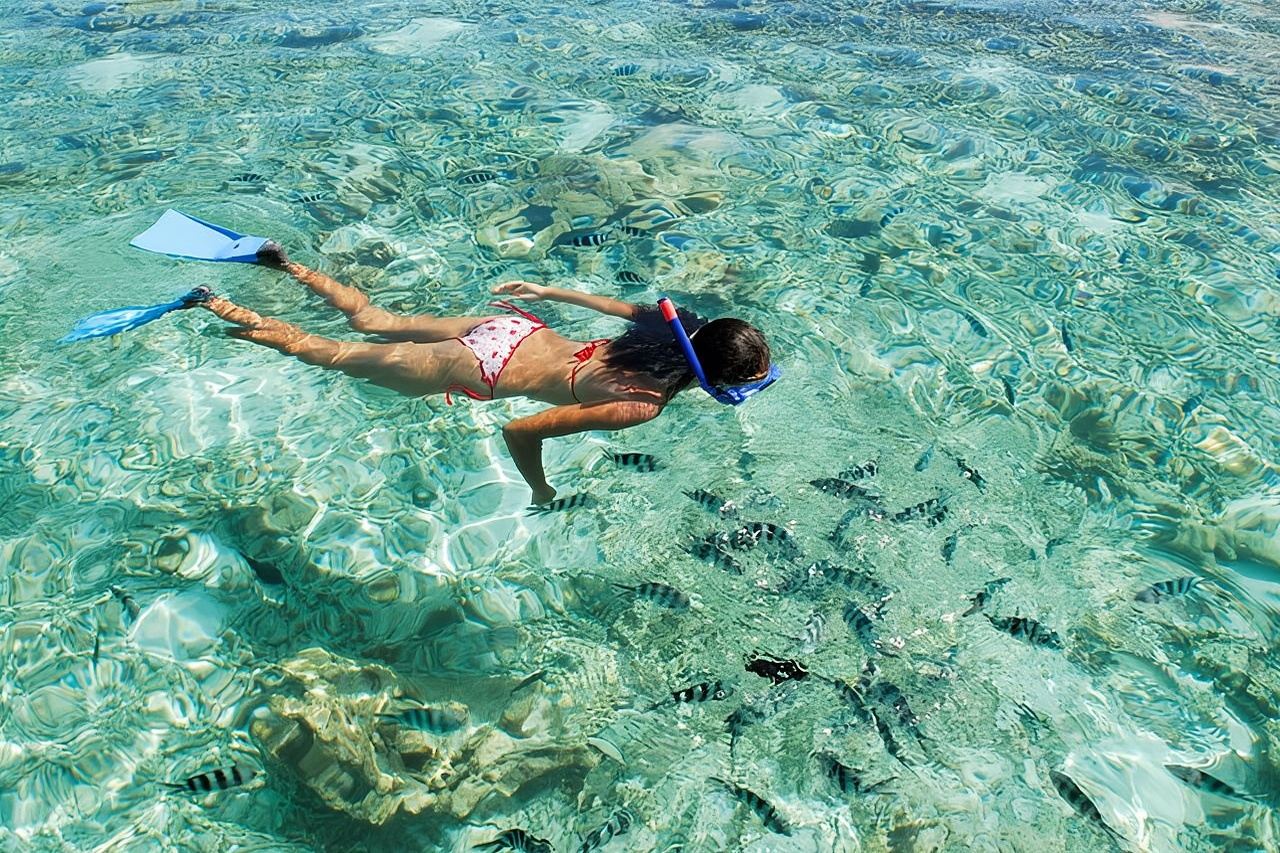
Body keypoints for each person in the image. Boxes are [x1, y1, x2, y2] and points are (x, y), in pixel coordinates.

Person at [198, 242, 774, 504]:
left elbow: (606, 306)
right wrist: (540, 488)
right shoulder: (643, 403)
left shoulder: (676, 328)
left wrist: (544, 290)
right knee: (328, 353)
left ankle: (290, 265)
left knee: (375, 319)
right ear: (716, 383)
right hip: (484, 366)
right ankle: (212, 303)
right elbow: (519, 430)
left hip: (518, 331)